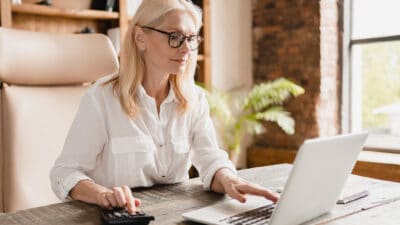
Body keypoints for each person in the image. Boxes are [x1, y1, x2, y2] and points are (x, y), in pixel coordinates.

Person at [50, 0, 278, 214]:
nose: (186, 49)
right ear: (140, 38)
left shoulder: (194, 98)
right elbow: (64, 172)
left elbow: (210, 158)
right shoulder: (101, 99)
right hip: (117, 218)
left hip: (172, 215)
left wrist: (230, 179)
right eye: (175, 37)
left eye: (191, 38)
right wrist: (102, 194)